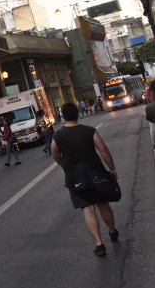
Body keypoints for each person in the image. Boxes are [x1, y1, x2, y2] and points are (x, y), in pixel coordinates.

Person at [51, 103, 119, 257]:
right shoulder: (89, 131)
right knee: (102, 203)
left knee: (87, 209)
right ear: (77, 114)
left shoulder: (58, 136)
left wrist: (64, 165)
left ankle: (99, 244)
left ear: (63, 116)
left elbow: (54, 154)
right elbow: (103, 149)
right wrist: (112, 168)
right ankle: (112, 232)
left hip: (75, 177)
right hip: (96, 172)